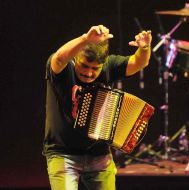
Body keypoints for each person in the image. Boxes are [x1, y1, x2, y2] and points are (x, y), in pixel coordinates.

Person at [43, 24, 152, 190]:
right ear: (75, 58)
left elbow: (138, 62)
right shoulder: (65, 69)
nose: (88, 73)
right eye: (84, 66)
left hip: (99, 155)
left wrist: (144, 48)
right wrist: (85, 39)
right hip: (63, 153)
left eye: (95, 69)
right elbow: (59, 58)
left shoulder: (109, 65)